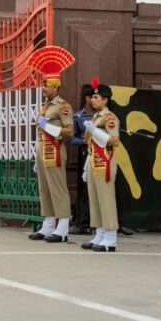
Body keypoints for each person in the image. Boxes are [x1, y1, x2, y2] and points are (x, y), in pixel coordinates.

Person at [27, 46, 75, 243]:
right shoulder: (45, 106)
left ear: (56, 87)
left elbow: (69, 131)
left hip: (54, 150)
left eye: (46, 85)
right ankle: (47, 225)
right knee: (44, 188)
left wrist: (48, 127)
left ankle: (62, 227)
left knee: (57, 188)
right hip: (42, 149)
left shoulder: (63, 106)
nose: (44, 88)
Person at [81, 79, 121, 252]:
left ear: (105, 100)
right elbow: (90, 144)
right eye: (92, 97)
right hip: (93, 161)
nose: (93, 100)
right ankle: (99, 233)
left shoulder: (110, 118)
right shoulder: (96, 117)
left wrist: (94, 130)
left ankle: (110, 237)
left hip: (105, 161)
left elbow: (114, 140)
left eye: (96, 97)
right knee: (95, 200)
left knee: (106, 199)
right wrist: (85, 167)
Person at [70, 84, 93, 235]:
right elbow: (73, 139)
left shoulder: (105, 116)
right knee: (84, 191)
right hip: (85, 154)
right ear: (87, 98)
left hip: (103, 155)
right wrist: (85, 141)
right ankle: (83, 223)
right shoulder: (79, 116)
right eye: (93, 97)